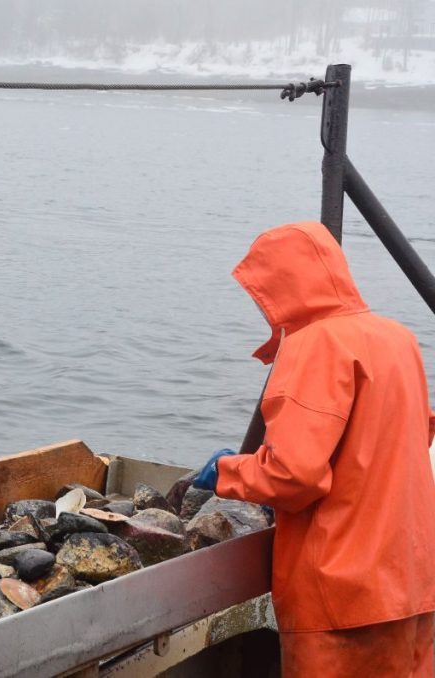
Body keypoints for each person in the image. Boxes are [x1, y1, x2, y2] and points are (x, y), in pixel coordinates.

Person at [192, 221, 435, 677]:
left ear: (282, 286)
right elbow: (412, 439)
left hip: (343, 595)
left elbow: (295, 475)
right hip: (414, 582)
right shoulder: (399, 339)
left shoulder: (313, 345)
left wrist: (227, 472)